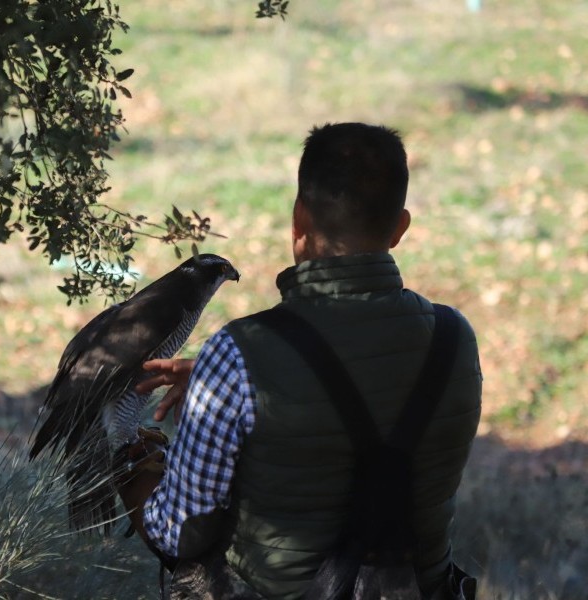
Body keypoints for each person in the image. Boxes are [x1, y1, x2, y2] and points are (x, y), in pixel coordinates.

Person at [117, 122, 482, 599]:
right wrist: (234, 384)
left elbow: (177, 532)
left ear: (298, 219)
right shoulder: (456, 339)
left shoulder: (237, 354)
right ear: (400, 228)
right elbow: (376, 398)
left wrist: (130, 470)